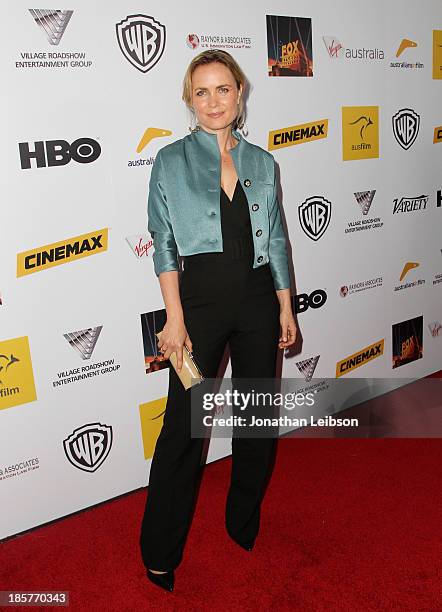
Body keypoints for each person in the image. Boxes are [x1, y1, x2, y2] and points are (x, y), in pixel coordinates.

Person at [139, 49, 297, 592]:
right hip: (197, 311)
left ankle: (241, 520)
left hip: (257, 304)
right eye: (201, 92)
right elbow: (163, 246)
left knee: (256, 423)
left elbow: (275, 238)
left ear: (240, 93)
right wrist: (174, 319)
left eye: (223, 89)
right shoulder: (170, 161)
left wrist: (284, 305)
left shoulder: (262, 162)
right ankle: (160, 550)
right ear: (190, 99)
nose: (213, 102)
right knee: (183, 429)